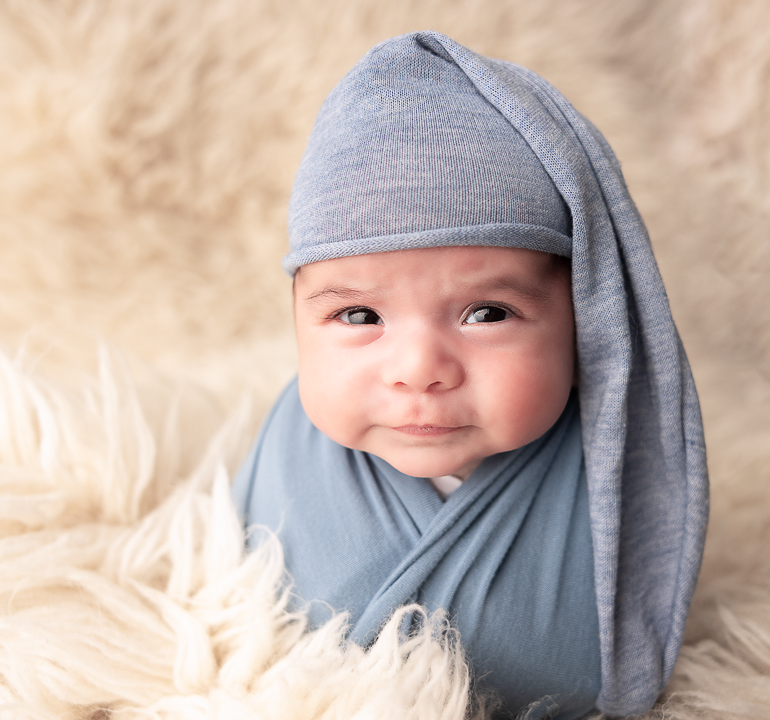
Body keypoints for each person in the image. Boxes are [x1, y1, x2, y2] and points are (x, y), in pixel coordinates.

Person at [232, 31, 709, 719]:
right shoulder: (284, 457)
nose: (418, 369)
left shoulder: (620, 473)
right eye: (360, 315)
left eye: (486, 313)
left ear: (580, 319)